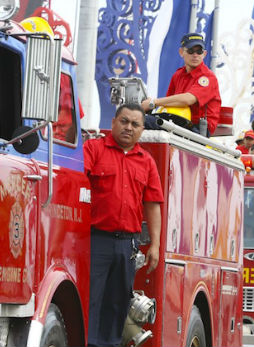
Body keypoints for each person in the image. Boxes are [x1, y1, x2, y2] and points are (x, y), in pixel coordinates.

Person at [84, 103, 163, 347]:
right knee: (91, 298)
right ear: (113, 123)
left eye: (135, 124)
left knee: (118, 302)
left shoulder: (146, 162)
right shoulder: (93, 149)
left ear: (141, 130)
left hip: (127, 244)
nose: (129, 127)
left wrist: (155, 246)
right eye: (124, 121)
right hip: (94, 240)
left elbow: (152, 204)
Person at [142, 33, 221, 136]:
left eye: (199, 51)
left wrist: (153, 103)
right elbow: (169, 102)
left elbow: (188, 99)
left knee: (140, 120)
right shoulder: (178, 75)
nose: (195, 55)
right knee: (135, 118)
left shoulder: (208, 77)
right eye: (191, 51)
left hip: (197, 129)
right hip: (178, 122)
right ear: (181, 52)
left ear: (204, 54)